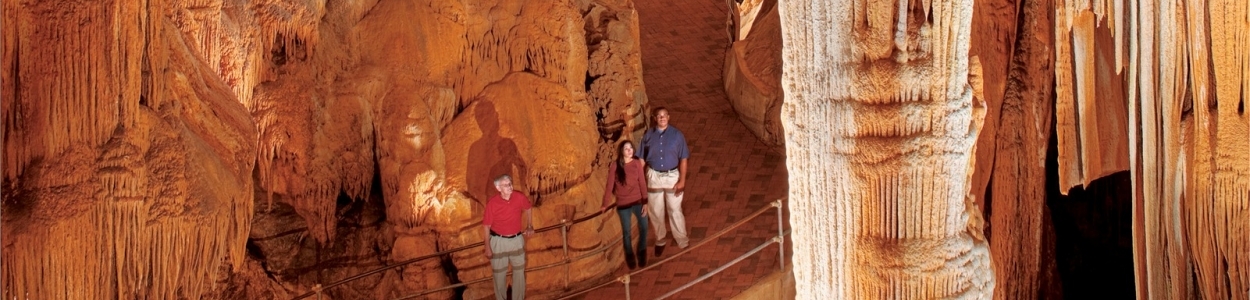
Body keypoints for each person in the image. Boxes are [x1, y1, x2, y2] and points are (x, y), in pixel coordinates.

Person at [636, 107, 690, 256]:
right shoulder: (648, 135)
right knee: (655, 210)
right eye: (659, 116)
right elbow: (641, 159)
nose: (662, 118)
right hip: (654, 176)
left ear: (669, 117)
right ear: (655, 118)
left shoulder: (677, 136)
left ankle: (682, 239)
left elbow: (683, 159)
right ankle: (660, 239)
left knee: (675, 209)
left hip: (672, 176)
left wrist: (682, 181)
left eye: (664, 115)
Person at [483, 174, 534, 300]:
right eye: (506, 185)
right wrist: (487, 246)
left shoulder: (519, 197)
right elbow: (486, 226)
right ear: (498, 188)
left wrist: (529, 225)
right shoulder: (493, 203)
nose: (510, 187)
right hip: (498, 241)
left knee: (519, 272)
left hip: (516, 239)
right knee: (499, 274)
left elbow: (528, 208)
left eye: (510, 183)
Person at [601, 140, 650, 269]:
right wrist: (605, 204)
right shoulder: (615, 166)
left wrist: (645, 202)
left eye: (631, 148)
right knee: (627, 232)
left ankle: (642, 252)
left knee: (644, 227)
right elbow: (610, 185)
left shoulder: (637, 164)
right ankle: (629, 255)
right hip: (623, 204)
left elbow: (642, 183)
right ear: (621, 152)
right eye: (626, 148)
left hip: (638, 201)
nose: (629, 150)